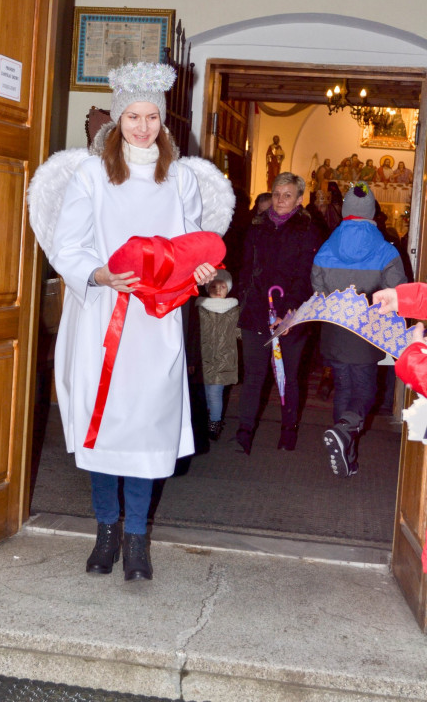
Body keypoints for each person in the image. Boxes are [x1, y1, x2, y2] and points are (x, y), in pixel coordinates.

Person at [49, 62, 217, 582]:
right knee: (107, 425)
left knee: (146, 428)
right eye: (133, 117)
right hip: (103, 315)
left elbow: (189, 243)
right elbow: (66, 244)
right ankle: (105, 533)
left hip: (156, 321)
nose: (142, 127)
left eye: (151, 118)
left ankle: (138, 537)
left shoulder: (180, 177)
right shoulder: (92, 174)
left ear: (163, 122)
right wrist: (96, 273)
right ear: (117, 119)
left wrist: (203, 269)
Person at [311, 181, 407, 478]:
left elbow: (317, 288)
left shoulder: (327, 246)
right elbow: (398, 293)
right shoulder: (383, 248)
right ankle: (345, 428)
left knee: (344, 387)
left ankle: (347, 455)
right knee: (365, 390)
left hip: (337, 330)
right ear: (371, 211)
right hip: (368, 331)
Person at [236, 172, 322, 454]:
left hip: (291, 317)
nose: (280, 200)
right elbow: (246, 269)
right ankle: (244, 432)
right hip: (256, 314)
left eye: (287, 195)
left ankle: (288, 431)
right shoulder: (257, 227)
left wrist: (291, 312)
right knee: (254, 375)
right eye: (276, 194)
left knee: (289, 377)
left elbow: (306, 274)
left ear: (299, 199)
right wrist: (243, 298)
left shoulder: (307, 230)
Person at [187, 270, 240, 440]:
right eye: (214, 286)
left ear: (228, 289)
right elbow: (195, 335)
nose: (218, 290)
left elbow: (240, 333)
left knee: (215, 393)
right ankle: (208, 418)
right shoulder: (200, 307)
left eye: (222, 286)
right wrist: (191, 359)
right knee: (205, 392)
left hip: (224, 359)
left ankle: (214, 425)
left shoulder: (234, 309)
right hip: (204, 358)